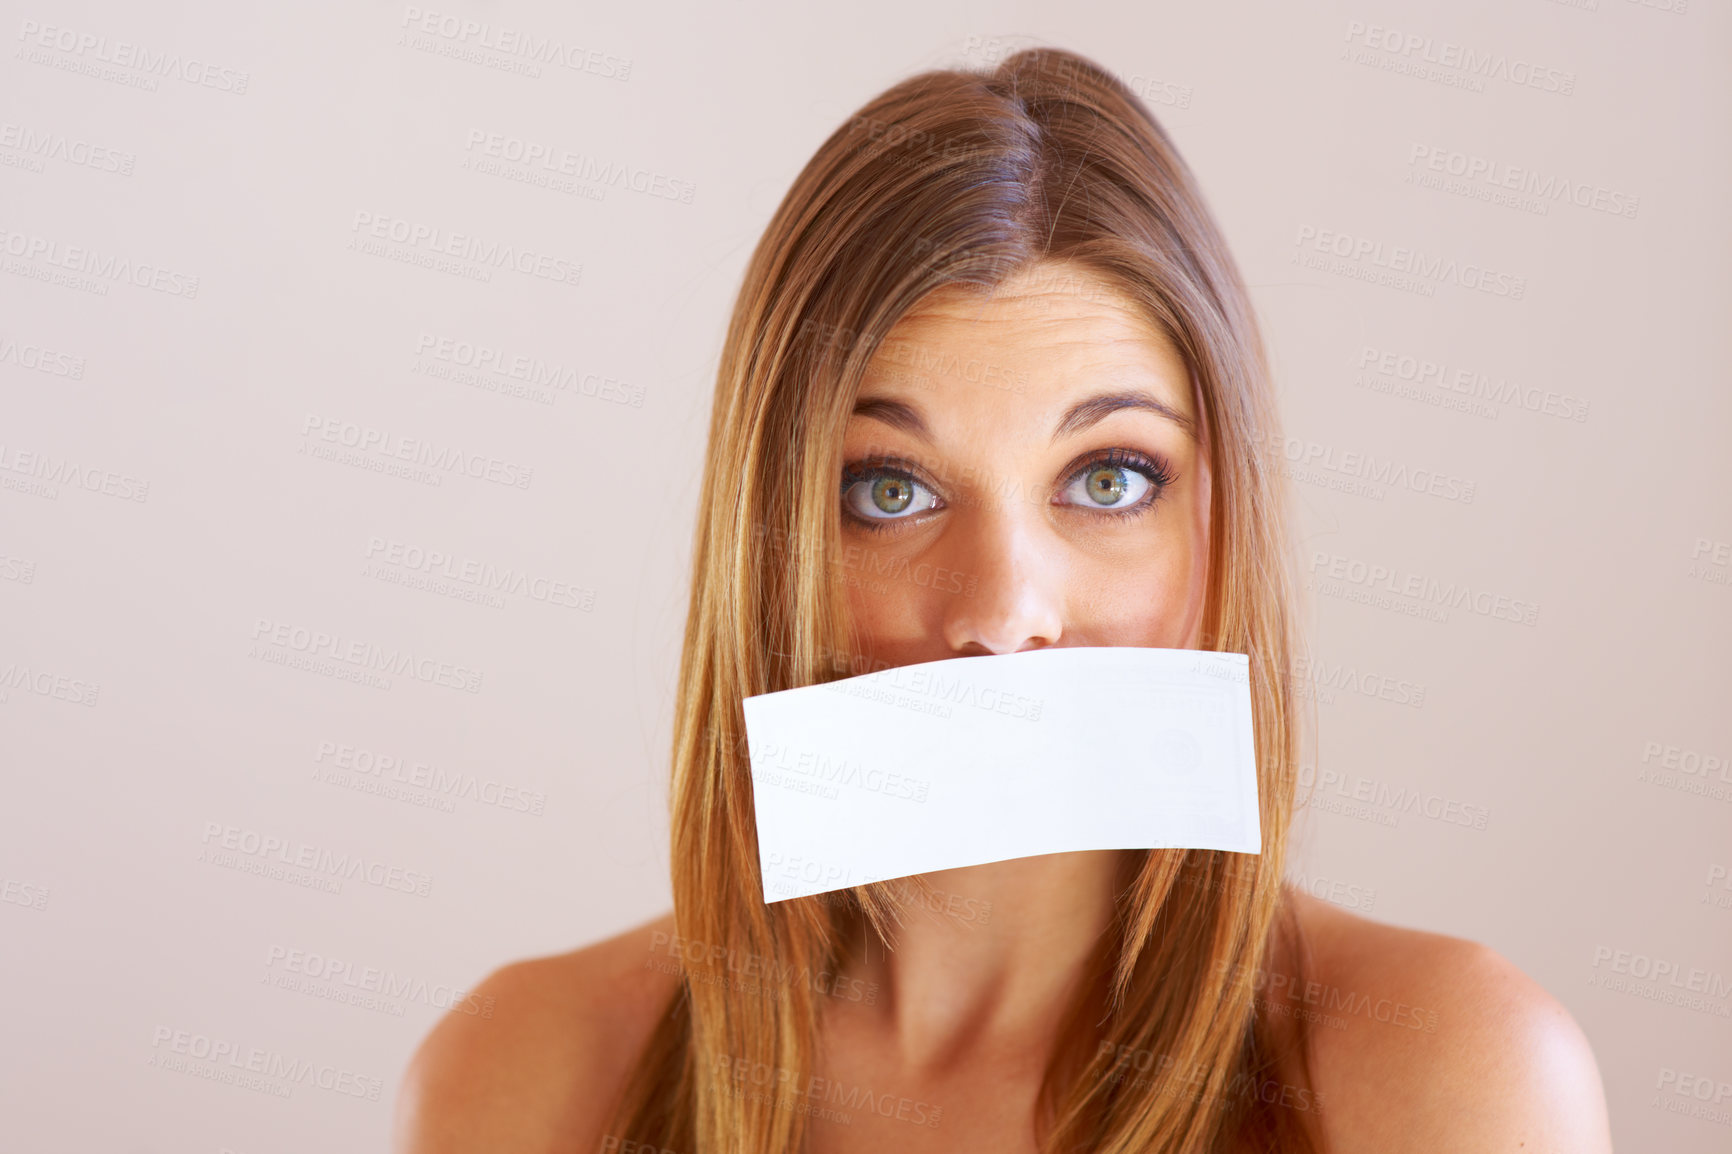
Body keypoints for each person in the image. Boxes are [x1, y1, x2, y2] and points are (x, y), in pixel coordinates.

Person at [393, 46, 1612, 1152]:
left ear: (1223, 515)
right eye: (889, 489)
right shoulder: (523, 1073)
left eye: (1107, 476)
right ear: (770, 546)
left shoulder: (1446, 1070)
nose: (1005, 613)